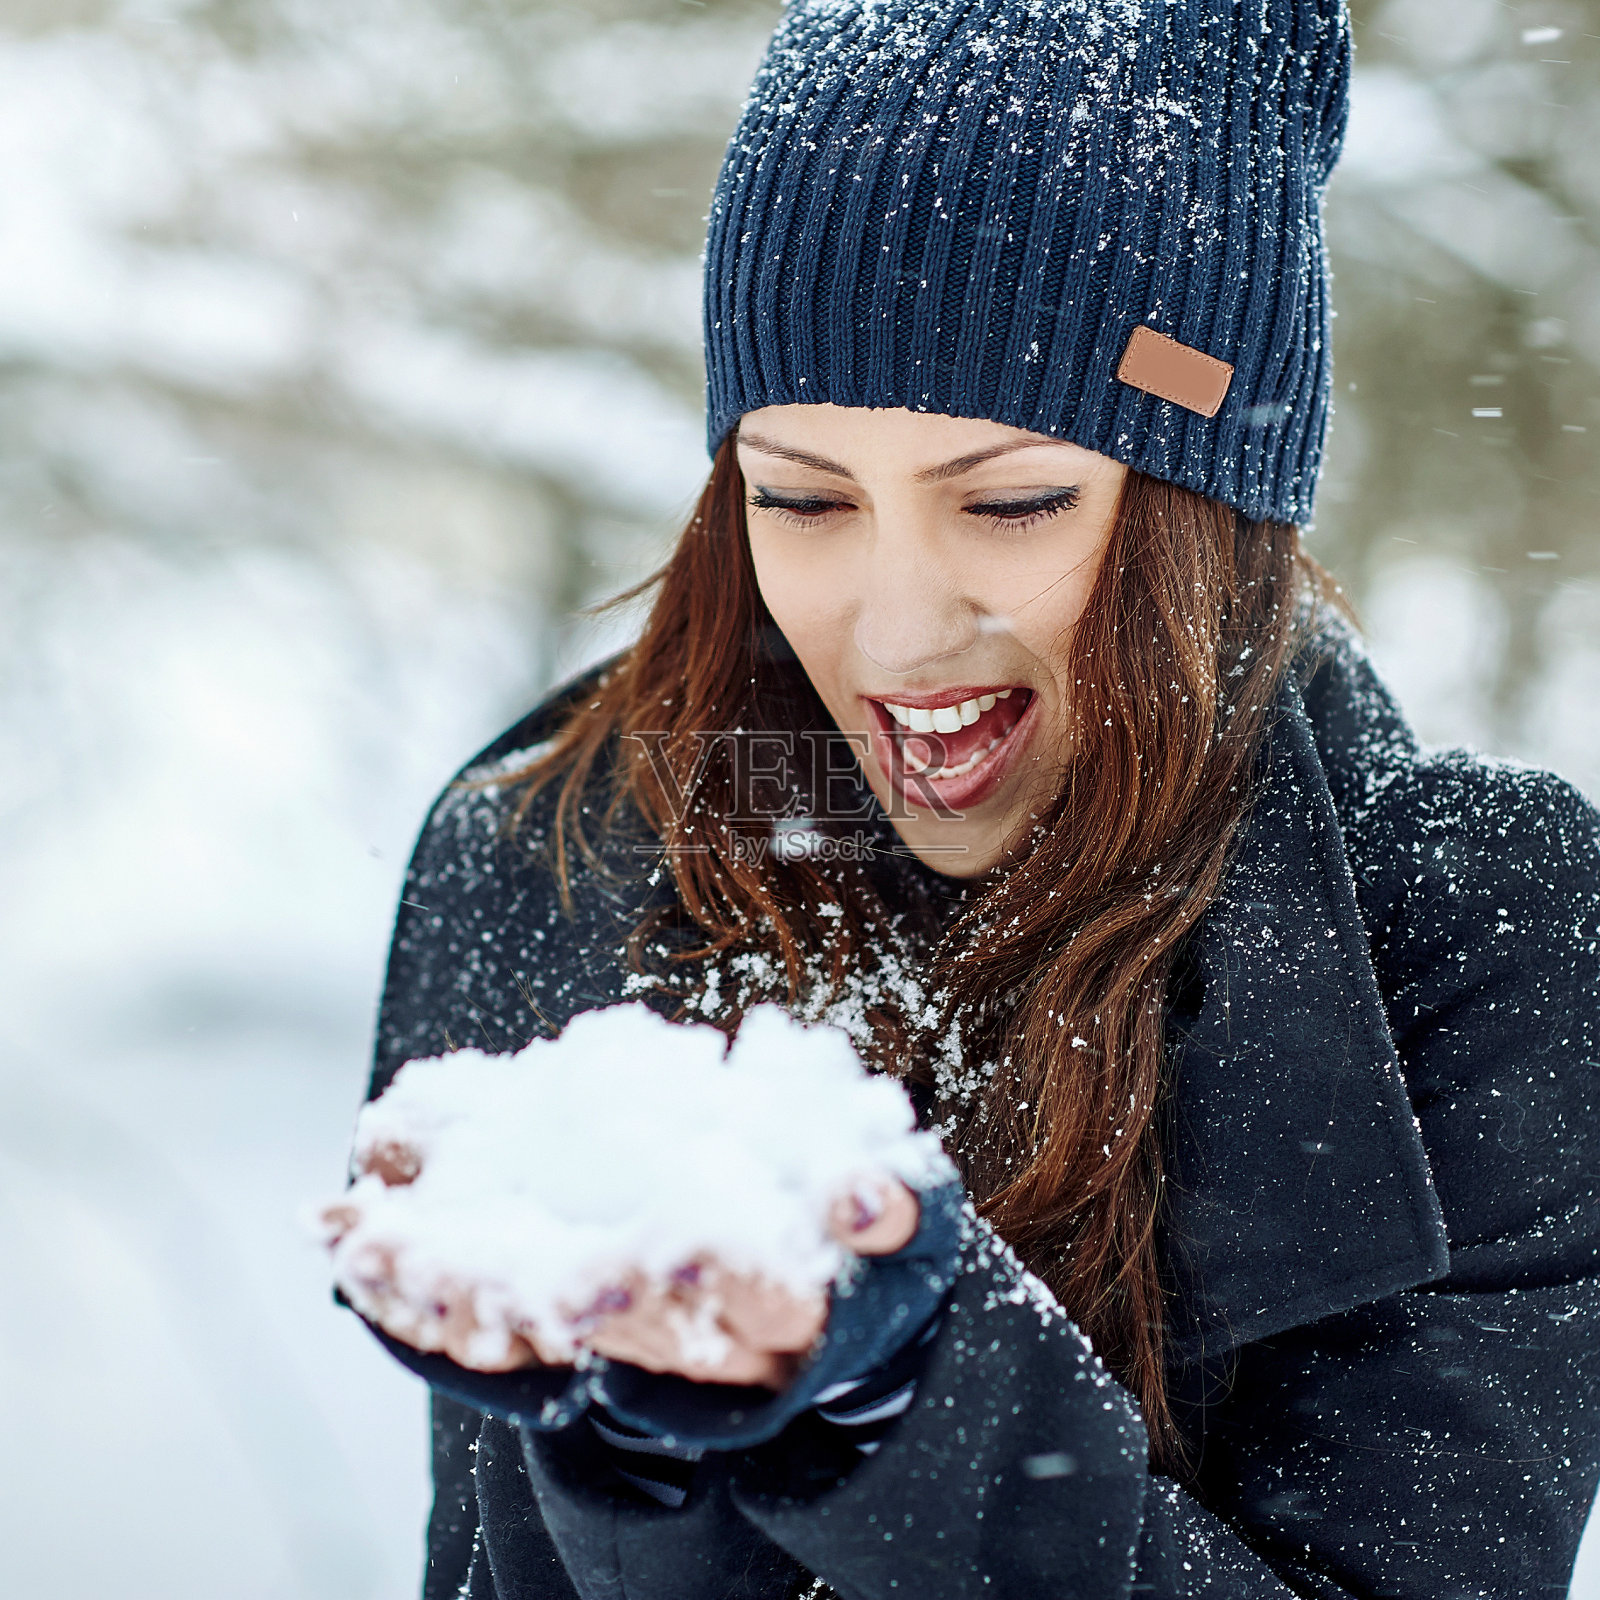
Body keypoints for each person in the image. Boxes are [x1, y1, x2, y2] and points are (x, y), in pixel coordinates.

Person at [342, 0, 1600, 1594]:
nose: (893, 624)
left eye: (1011, 503)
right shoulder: (545, 856)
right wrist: (654, 1450)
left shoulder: (1478, 942)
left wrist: (897, 1398)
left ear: (1213, 503)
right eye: (801, 499)